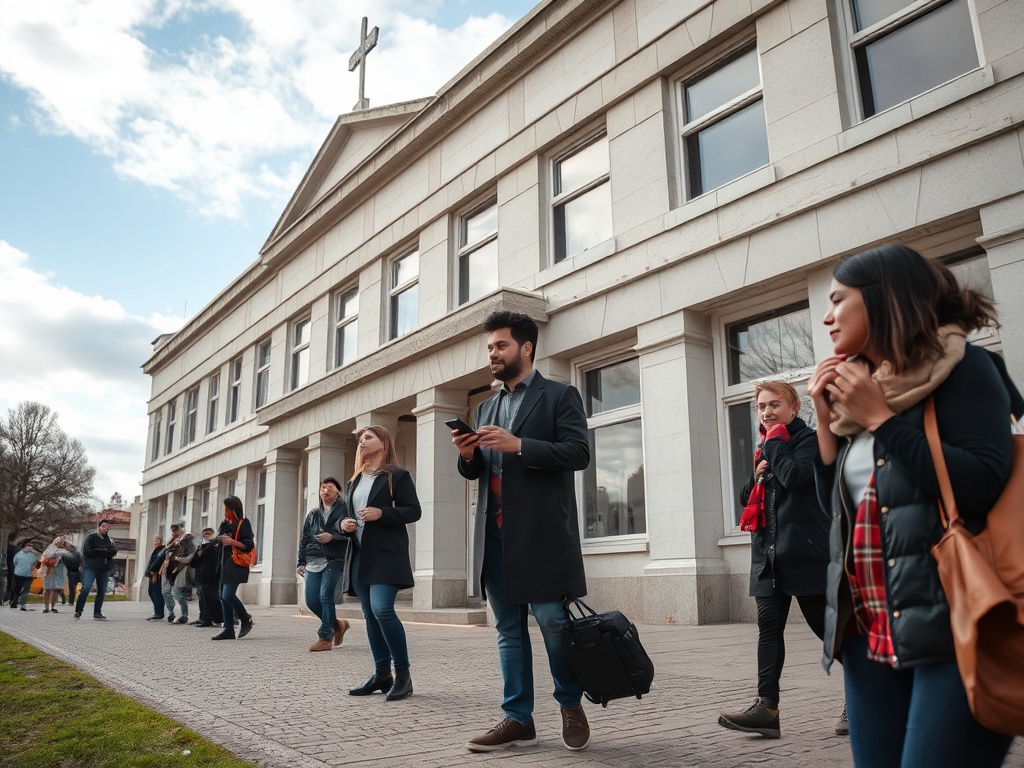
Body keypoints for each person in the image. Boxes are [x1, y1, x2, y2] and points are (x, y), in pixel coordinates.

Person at [807, 243, 1021, 767]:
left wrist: (882, 420)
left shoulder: (965, 367)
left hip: (956, 623)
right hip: (870, 628)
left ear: (882, 299)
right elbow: (834, 513)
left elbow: (981, 483)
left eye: (839, 300)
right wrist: (823, 416)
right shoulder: (862, 389)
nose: (828, 317)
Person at [452, 311, 592, 752]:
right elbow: (479, 470)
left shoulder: (559, 396)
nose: (492, 353)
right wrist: (467, 455)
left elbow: (578, 452)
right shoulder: (485, 406)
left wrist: (520, 446)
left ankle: (570, 703)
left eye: (500, 346)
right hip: (494, 536)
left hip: (542, 535)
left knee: (552, 621)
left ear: (525, 348)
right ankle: (517, 718)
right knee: (508, 630)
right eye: (490, 347)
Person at [718, 381, 841, 738]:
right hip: (768, 554)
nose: (767, 411)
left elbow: (795, 477)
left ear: (793, 407)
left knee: (826, 630)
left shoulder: (808, 440)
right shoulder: (765, 448)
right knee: (769, 628)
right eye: (761, 407)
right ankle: (767, 709)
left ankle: (866, 690)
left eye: (774, 404)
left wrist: (772, 445)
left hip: (803, 552)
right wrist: (756, 473)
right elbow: (748, 495)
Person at [345, 426, 421, 700]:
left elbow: (414, 510)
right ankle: (381, 674)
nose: (361, 442)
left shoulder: (396, 476)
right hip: (361, 555)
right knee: (369, 614)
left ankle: (403, 674)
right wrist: (345, 523)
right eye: (360, 439)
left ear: (383, 442)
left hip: (387, 554)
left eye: (368, 437)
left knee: (382, 609)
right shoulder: (355, 480)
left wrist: (382, 513)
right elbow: (347, 513)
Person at [297, 477, 352, 652]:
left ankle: (325, 637)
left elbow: (352, 534)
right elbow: (304, 538)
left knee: (325, 597)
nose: (325, 490)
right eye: (322, 487)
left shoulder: (345, 510)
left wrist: (332, 537)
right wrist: (301, 561)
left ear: (337, 491)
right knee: (312, 601)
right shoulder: (313, 514)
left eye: (329, 487)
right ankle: (338, 625)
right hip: (313, 560)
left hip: (334, 558)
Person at [213, 496, 255, 641]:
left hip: (236, 562)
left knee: (227, 595)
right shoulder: (225, 523)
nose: (224, 512)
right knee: (222, 595)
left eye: (226, 509)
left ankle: (246, 618)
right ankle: (228, 629)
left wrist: (232, 541)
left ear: (233, 509)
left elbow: (249, 545)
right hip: (224, 562)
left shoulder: (244, 523)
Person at [74, 520, 117, 620]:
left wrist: (104, 552)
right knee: (86, 588)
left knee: (102, 590)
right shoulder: (91, 537)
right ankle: (78, 611)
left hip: (104, 568)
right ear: (99, 527)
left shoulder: (109, 540)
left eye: (107, 527)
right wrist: (101, 551)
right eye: (103, 526)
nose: (105, 528)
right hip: (91, 567)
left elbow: (112, 551)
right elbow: (87, 551)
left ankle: (97, 612)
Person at [162, 524, 196, 624]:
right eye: (173, 530)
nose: (174, 532)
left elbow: (191, 554)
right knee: (166, 591)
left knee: (178, 593)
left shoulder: (188, 539)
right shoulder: (174, 540)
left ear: (182, 529)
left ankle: (184, 615)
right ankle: (171, 613)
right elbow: (166, 550)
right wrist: (172, 540)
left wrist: (181, 559)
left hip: (181, 568)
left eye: (176, 530)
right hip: (170, 569)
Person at [191, 528, 223, 628]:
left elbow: (214, 562)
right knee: (202, 599)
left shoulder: (214, 546)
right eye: (204, 534)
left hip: (210, 578)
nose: (205, 535)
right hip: (200, 576)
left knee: (210, 599)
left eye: (208, 533)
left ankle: (211, 619)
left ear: (212, 535)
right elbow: (194, 563)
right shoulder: (201, 547)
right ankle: (203, 617)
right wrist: (198, 552)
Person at [40, 536, 70, 614]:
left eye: (61, 542)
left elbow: (68, 556)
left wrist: (63, 552)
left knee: (56, 589)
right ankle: (46, 607)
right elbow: (50, 555)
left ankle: (53, 607)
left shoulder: (65, 550)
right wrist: (60, 552)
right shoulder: (50, 548)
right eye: (58, 542)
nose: (59, 544)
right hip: (49, 571)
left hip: (59, 571)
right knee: (47, 589)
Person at [9, 541, 38, 611]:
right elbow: (15, 562)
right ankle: (14, 601)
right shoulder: (18, 555)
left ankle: (23, 605)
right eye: (28, 547)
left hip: (28, 576)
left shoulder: (33, 555)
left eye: (31, 547)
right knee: (17, 590)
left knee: (26, 590)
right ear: (24, 547)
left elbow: (36, 563)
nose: (29, 548)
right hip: (18, 575)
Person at [144, 535, 166, 620]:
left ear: (161, 542)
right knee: (151, 592)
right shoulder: (156, 550)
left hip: (156, 574)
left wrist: (154, 573)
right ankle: (157, 611)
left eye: (158, 540)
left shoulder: (162, 550)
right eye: (155, 541)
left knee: (156, 593)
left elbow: (159, 562)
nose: (156, 542)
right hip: (151, 573)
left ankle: (159, 613)